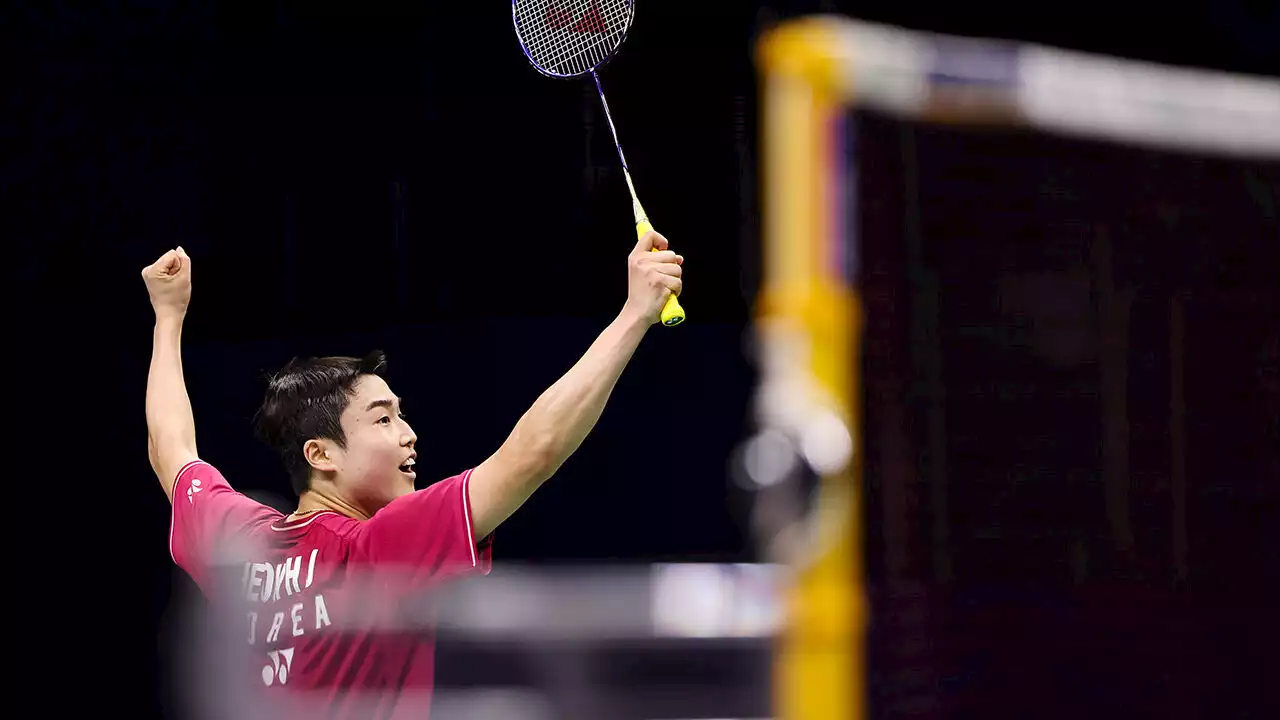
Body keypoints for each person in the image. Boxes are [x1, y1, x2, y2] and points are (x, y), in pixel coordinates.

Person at [142, 235, 683, 719]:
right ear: (320, 454)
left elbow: (171, 450)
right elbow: (533, 452)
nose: (409, 434)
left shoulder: (240, 543)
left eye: (401, 415)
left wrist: (168, 317)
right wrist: (635, 315)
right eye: (383, 418)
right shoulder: (381, 548)